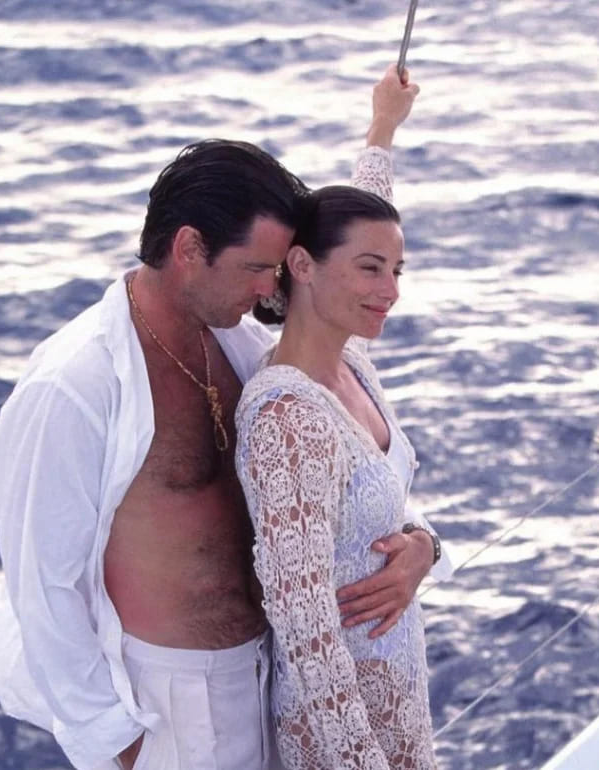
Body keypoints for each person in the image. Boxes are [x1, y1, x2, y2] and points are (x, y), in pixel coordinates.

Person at [0, 65, 445, 770]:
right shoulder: (73, 386)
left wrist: (418, 543)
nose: (275, 289)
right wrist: (115, 742)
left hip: (266, 682)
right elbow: (42, 583)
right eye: (259, 269)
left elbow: (338, 275)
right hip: (165, 707)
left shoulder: (240, 342)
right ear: (189, 249)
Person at [235, 183, 442, 769]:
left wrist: (384, 128)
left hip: (397, 699)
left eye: (398, 270)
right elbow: (303, 628)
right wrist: (359, 761)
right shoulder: (288, 417)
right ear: (301, 265)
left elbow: (362, 205)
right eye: (371, 269)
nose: (391, 291)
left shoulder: (351, 365)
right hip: (341, 733)